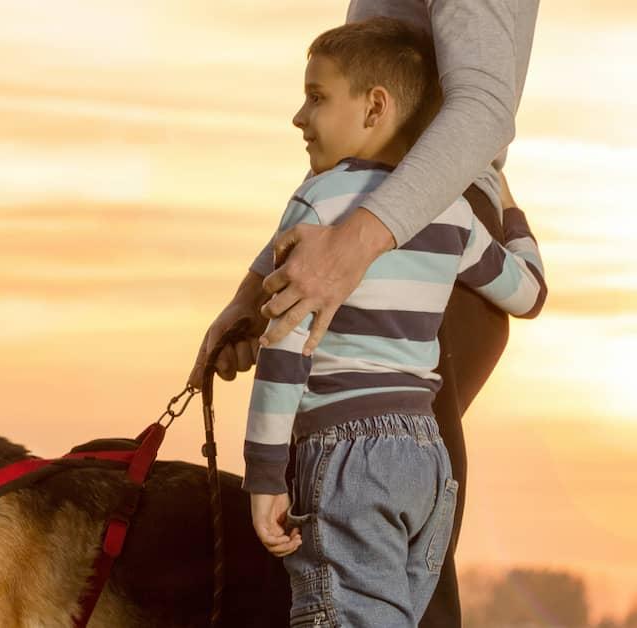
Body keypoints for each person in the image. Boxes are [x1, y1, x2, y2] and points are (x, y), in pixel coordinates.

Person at [188, 3, 540, 625]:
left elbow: (284, 347)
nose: (299, 116)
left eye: (315, 98)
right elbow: (530, 292)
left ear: (375, 109)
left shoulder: (322, 208)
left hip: (346, 448)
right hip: (422, 465)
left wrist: (263, 477)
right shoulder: (451, 226)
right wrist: (512, 217)